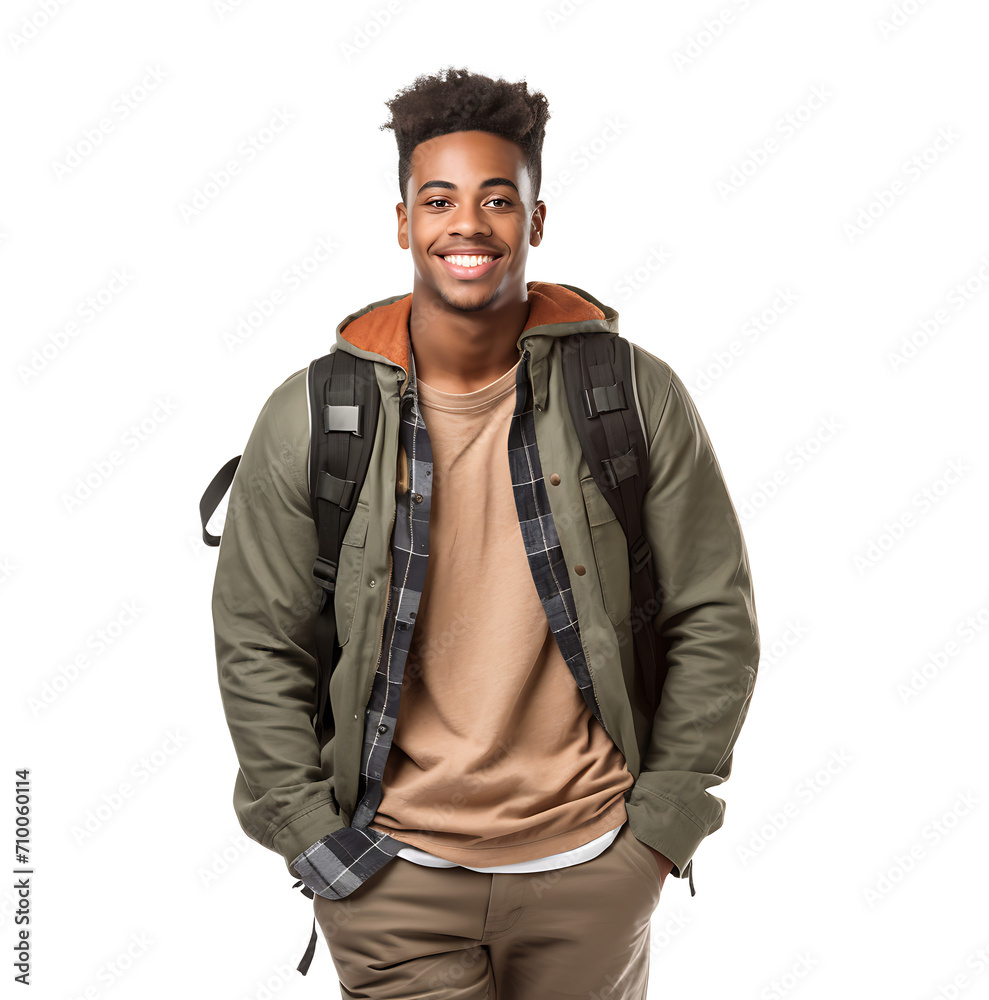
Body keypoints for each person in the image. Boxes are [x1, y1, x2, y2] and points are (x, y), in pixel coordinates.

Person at [212, 65, 760, 1000]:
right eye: (439, 198)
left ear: (535, 221)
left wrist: (661, 830)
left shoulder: (631, 394)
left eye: (498, 198)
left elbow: (715, 616)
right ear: (403, 222)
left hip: (592, 868)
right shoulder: (313, 415)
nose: (468, 224)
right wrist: (312, 838)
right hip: (391, 877)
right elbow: (260, 644)